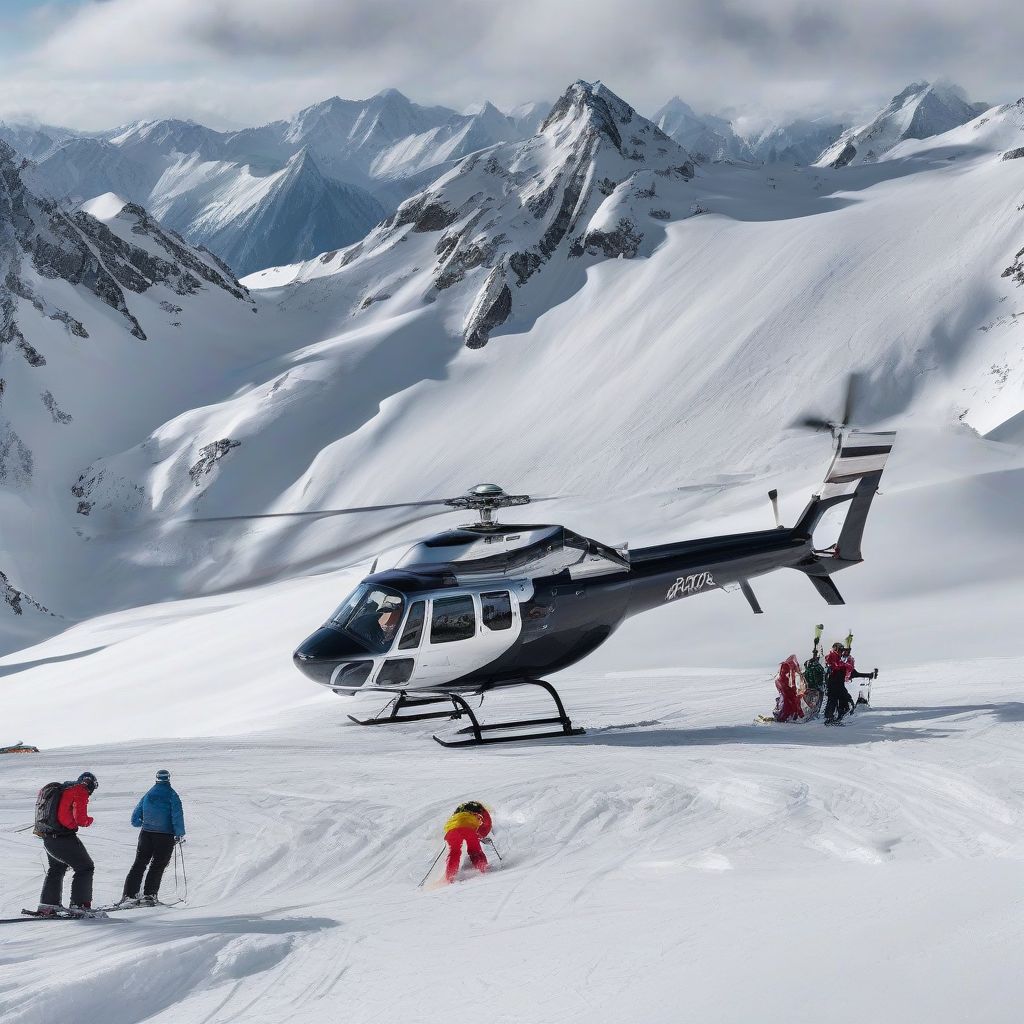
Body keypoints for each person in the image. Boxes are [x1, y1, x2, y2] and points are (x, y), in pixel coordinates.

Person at [35, 771, 98, 916]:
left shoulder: (63, 788)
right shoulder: (80, 790)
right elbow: (79, 819)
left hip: (48, 836)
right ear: (92, 785)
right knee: (85, 867)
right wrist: (89, 820)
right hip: (63, 837)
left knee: (57, 867)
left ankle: (48, 905)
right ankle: (80, 905)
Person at [120, 769, 186, 906]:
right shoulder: (172, 795)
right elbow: (177, 815)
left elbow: (135, 818)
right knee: (157, 865)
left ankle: (129, 896)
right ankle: (149, 896)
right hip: (164, 836)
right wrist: (179, 833)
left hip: (146, 834)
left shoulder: (148, 795)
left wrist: (142, 823)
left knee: (139, 864)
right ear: (168, 778)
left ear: (156, 779)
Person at [443, 801, 492, 883]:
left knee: (454, 852)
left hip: (451, 831)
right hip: (468, 830)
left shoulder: (456, 813)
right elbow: (487, 823)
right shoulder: (479, 808)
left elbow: (448, 826)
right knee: (474, 850)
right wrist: (480, 835)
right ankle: (483, 868)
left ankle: (450, 876)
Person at [773, 655, 805, 722]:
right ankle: (785, 717)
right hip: (785, 686)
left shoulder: (789, 667)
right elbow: (784, 678)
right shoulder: (787, 666)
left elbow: (791, 678)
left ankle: (793, 716)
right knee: (790, 701)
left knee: (793, 700)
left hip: (786, 686)